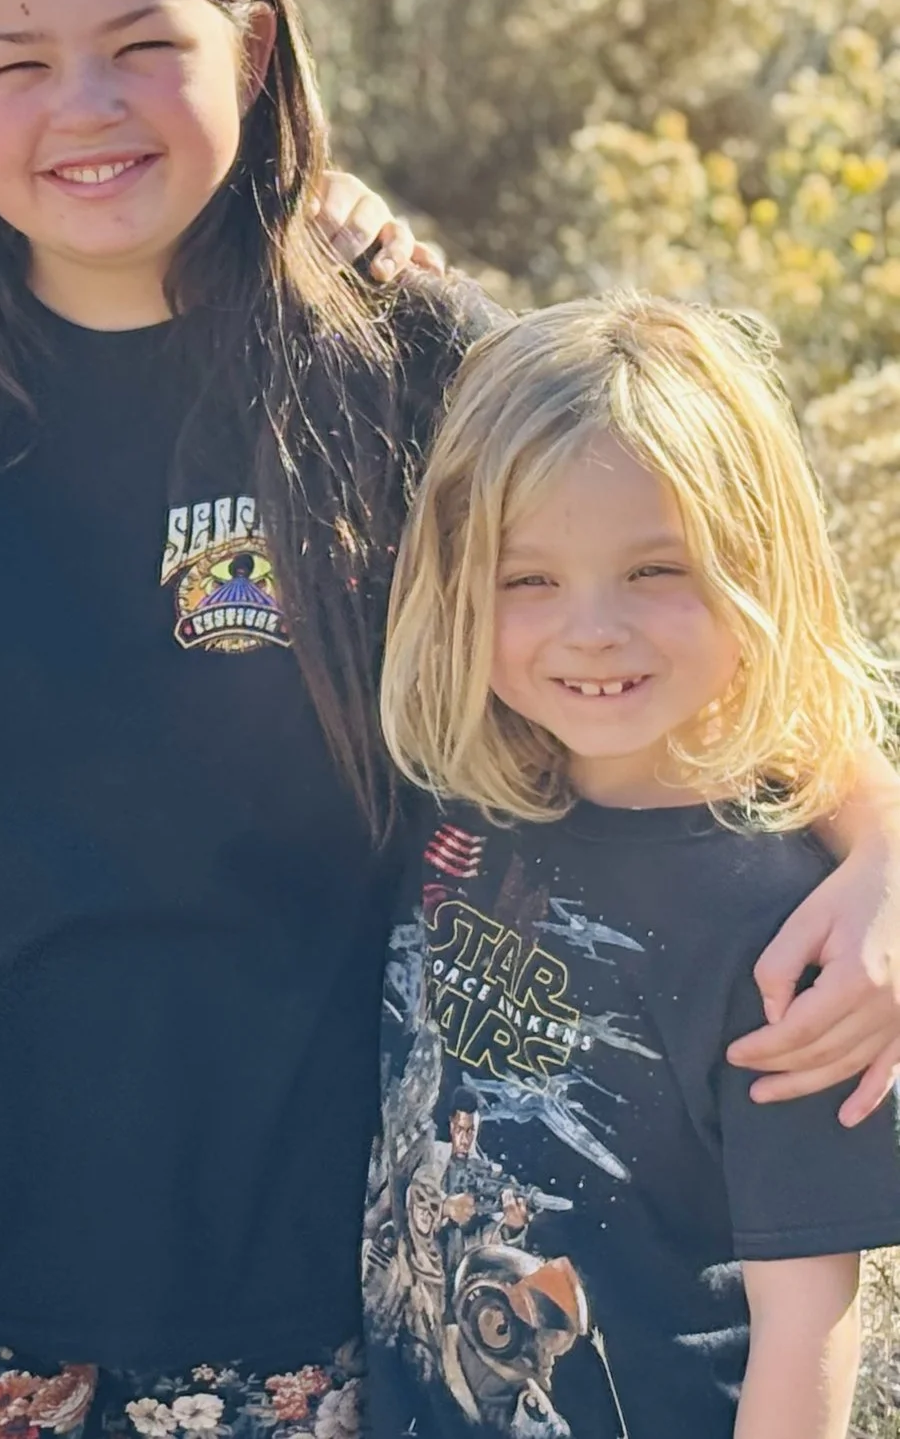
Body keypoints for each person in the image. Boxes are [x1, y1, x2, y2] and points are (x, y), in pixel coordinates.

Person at [0, 0, 900, 1438]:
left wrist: (878, 846)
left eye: (139, 47)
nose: (82, 109)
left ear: (247, 49)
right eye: (14, 62)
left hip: (300, 1267)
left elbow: (679, 594)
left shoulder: (400, 355)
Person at [365, 293, 900, 1439]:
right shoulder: (455, 799)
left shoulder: (791, 927)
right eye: (528, 579)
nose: (590, 629)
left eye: (655, 569)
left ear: (759, 565)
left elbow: (808, 1317)